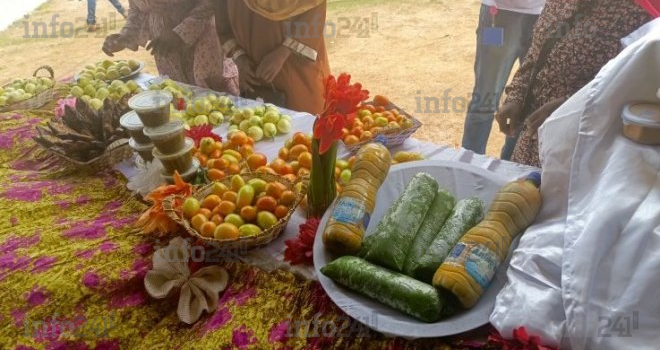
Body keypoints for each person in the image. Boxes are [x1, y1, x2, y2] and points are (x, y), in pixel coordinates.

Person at [495, 0, 653, 167]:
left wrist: (569, 108)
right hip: (531, 144)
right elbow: (536, 55)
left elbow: (634, 89)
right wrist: (516, 96)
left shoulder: (642, 17)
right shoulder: (560, 3)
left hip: (582, 157)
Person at [213, 0, 331, 115]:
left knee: (305, 126)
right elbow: (223, 24)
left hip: (295, 67)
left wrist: (283, 53)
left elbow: (315, 9)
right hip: (252, 72)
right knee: (260, 126)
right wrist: (239, 58)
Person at [462, 0, 544, 160]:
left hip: (545, 14)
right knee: (486, 97)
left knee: (529, 100)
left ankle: (512, 166)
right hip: (499, 14)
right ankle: (469, 165)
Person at [101, 0, 239, 94]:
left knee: (216, 97)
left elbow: (211, 3)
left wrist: (180, 32)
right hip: (164, 46)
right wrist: (125, 36)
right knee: (180, 94)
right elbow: (137, 8)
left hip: (201, 37)